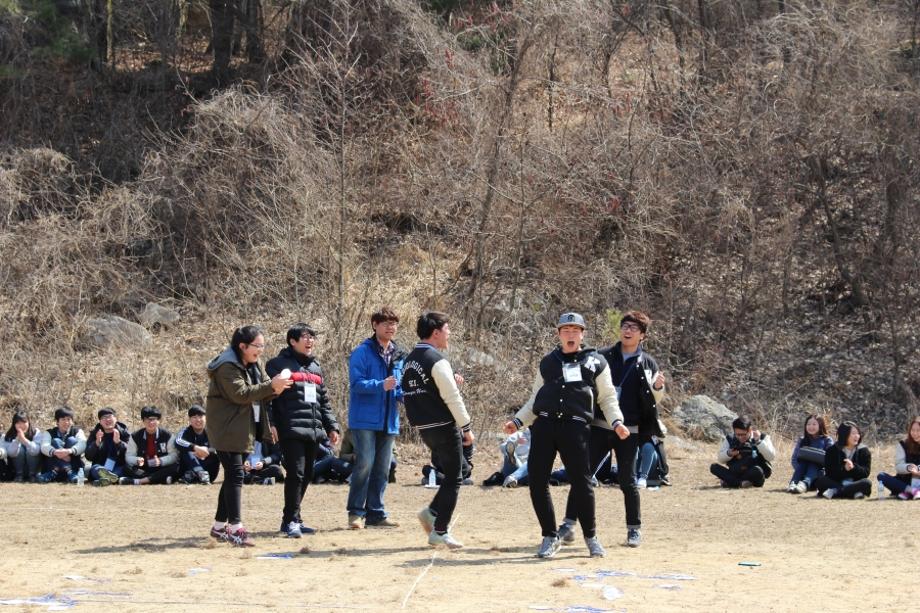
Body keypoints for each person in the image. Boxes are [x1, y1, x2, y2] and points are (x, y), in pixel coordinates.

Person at [504, 312, 625, 559]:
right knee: (537, 481)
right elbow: (535, 399)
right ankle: (549, 536)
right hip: (544, 426)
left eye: (575, 331)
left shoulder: (596, 362)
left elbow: (608, 398)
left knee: (582, 482)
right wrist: (518, 421)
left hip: (576, 428)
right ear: (558, 334)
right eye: (566, 330)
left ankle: (591, 537)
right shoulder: (548, 362)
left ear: (582, 334)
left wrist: (617, 422)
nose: (570, 335)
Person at [557, 310, 665, 549]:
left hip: (630, 429)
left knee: (628, 480)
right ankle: (568, 525)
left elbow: (653, 399)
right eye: (625, 326)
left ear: (642, 335)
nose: (627, 331)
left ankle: (634, 529)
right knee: (583, 476)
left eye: (633, 328)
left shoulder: (648, 363)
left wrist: (658, 388)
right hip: (599, 425)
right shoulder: (602, 356)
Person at [205, 325, 291, 547]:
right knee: (236, 474)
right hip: (226, 427)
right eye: (257, 346)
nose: (260, 350)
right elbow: (240, 394)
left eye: (262, 345)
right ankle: (235, 529)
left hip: (244, 426)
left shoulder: (254, 364)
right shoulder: (226, 366)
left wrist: (276, 388)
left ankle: (218, 527)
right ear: (242, 346)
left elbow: (262, 390)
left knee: (232, 476)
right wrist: (271, 386)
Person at [402, 311, 474, 549]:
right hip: (443, 426)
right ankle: (440, 530)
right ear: (435, 332)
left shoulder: (409, 360)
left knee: (456, 472)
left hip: (424, 428)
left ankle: (431, 512)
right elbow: (452, 397)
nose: (449, 333)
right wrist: (466, 427)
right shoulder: (436, 360)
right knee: (455, 477)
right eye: (446, 329)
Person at [266, 323, 341, 539]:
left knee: (307, 474)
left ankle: (293, 519)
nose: (310, 341)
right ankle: (291, 520)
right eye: (305, 337)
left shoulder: (315, 367)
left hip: (313, 430)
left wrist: (332, 426)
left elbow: (323, 401)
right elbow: (268, 397)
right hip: (289, 428)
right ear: (292, 341)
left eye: (312, 337)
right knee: (296, 474)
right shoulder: (277, 365)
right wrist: (270, 423)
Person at [346, 307, 406, 529]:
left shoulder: (399, 355)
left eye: (394, 323)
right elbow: (356, 384)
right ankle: (355, 513)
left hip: (389, 420)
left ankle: (376, 514)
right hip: (364, 420)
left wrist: (409, 397)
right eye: (386, 323)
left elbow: (399, 387)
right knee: (365, 464)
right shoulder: (362, 352)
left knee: (383, 468)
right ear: (374, 325)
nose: (391, 327)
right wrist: (381, 385)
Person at [709, 416, 776, 489]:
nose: (740, 437)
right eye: (738, 434)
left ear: (750, 430)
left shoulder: (762, 437)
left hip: (754, 474)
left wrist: (758, 442)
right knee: (714, 467)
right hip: (736, 472)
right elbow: (720, 459)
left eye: (743, 434)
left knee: (757, 470)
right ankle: (740, 483)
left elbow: (771, 457)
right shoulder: (730, 439)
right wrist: (729, 453)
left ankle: (730, 482)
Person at [121, 406, 180, 485]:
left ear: (158, 420)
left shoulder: (167, 435)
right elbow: (129, 456)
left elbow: (174, 455)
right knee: (126, 468)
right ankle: (158, 479)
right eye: (147, 419)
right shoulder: (135, 436)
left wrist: (161, 461)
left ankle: (139, 481)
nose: (151, 422)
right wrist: (137, 460)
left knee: (176, 467)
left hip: (161, 467)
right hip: (143, 468)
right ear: (143, 421)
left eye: (153, 419)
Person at [815, 420, 872, 499]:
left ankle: (835, 491)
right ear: (844, 434)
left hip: (855, 482)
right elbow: (830, 473)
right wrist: (844, 469)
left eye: (858, 433)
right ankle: (852, 492)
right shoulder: (832, 450)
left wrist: (853, 468)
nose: (857, 436)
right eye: (853, 433)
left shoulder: (863, 450)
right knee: (821, 480)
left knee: (867, 483)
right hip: (837, 481)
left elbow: (865, 473)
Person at [36, 407, 87, 484]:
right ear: (57, 422)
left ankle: (56, 473)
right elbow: (44, 446)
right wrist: (56, 452)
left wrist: (69, 451)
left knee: (72, 440)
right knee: (56, 441)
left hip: (73, 466)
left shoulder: (77, 431)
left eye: (68, 419)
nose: (66, 422)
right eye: (63, 419)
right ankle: (68, 472)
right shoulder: (49, 433)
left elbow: (83, 444)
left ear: (72, 421)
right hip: (54, 467)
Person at [787, 414, 834, 494]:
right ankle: (793, 483)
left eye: (814, 424)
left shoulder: (827, 440)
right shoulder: (802, 440)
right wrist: (803, 471)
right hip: (801, 473)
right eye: (808, 424)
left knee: (814, 462)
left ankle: (804, 484)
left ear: (820, 425)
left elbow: (831, 460)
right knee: (804, 462)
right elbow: (794, 459)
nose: (811, 427)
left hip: (818, 475)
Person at [84, 407, 130, 486]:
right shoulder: (95, 434)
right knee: (95, 468)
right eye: (104, 418)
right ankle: (110, 479)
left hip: (118, 466)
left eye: (109, 417)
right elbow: (88, 456)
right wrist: (96, 443)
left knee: (123, 469)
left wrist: (119, 443)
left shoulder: (123, 433)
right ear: (100, 422)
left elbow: (130, 453)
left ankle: (105, 480)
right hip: (101, 466)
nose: (107, 420)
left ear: (115, 419)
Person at [878, 416, 920, 500]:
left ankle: (907, 493)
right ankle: (912, 491)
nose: (915, 433)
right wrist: (908, 467)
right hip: (904, 481)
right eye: (912, 430)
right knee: (881, 476)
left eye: (918, 430)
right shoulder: (902, 444)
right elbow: (898, 467)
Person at [175, 404, 219, 485]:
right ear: (189, 420)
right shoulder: (185, 431)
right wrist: (196, 448)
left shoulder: (212, 432)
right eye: (194, 417)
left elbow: (220, 447)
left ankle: (195, 474)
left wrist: (206, 451)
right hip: (188, 469)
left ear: (206, 418)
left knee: (216, 455)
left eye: (200, 416)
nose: (198, 420)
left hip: (209, 473)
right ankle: (199, 472)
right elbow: (177, 441)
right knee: (187, 451)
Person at [2, 410, 41, 482]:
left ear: (29, 422)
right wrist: (17, 440)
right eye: (18, 423)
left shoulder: (35, 432)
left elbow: (36, 451)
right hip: (16, 469)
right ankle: (19, 475)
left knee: (30, 449)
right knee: (20, 450)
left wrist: (24, 440)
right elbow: (11, 453)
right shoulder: (8, 435)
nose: (21, 425)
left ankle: (32, 475)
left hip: (34, 469)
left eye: (24, 422)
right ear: (14, 424)